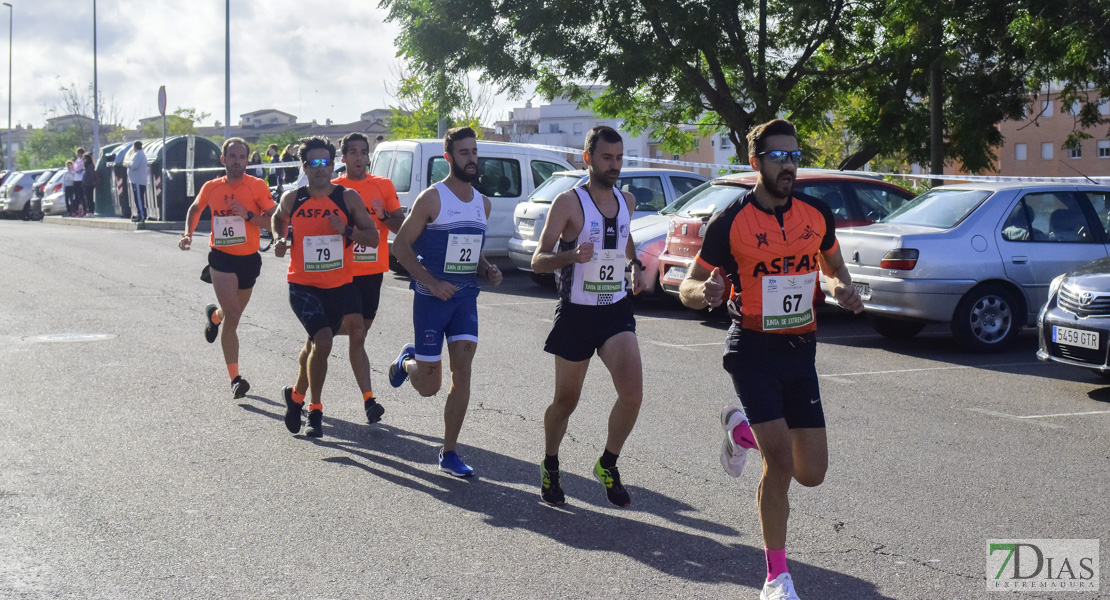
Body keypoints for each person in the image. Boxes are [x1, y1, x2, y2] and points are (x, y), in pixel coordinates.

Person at [678, 119, 864, 600]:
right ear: (755, 161)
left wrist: (841, 286)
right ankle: (776, 577)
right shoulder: (731, 222)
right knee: (778, 461)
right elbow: (687, 287)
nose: (789, 165)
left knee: (811, 473)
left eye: (795, 156)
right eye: (779, 156)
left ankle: (741, 430)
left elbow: (834, 266)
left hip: (801, 350)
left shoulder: (817, 214)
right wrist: (707, 291)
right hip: (753, 349)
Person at [530, 125, 646, 508]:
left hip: (615, 312)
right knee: (566, 401)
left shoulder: (626, 201)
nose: (614, 165)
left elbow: (625, 238)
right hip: (577, 313)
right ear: (588, 159)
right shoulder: (568, 203)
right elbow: (538, 261)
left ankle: (607, 463)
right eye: (606, 158)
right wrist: (570, 256)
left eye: (618, 158)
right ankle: (550, 464)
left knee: (632, 394)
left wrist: (635, 265)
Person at [388, 126, 503, 477]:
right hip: (431, 299)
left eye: (475, 152)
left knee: (463, 371)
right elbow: (400, 247)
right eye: (464, 153)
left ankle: (449, 452)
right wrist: (432, 283)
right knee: (429, 386)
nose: (472, 159)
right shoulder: (432, 199)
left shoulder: (483, 202)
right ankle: (407, 361)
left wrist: (487, 269)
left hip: (465, 299)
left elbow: (473, 252)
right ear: (449, 158)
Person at [271, 136, 381, 438]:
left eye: (326, 162)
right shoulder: (293, 199)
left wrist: (344, 229)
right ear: (305, 167)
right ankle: (315, 411)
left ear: (334, 164)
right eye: (314, 163)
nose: (321, 168)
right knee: (323, 341)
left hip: (338, 286)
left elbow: (373, 238)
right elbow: (277, 219)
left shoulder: (347, 198)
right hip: (302, 285)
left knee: (317, 346)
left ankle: (295, 397)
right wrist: (280, 239)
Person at [313, 132, 404, 422]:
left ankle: (309, 357)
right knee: (357, 331)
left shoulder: (383, 185)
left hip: (372, 274)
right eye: (352, 152)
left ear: (369, 156)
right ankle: (369, 400)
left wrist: (383, 214)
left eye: (363, 152)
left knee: (356, 335)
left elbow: (400, 227)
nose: (358, 157)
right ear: (343, 158)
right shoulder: (334, 188)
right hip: (342, 273)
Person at [178, 138, 277, 399]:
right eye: (231, 156)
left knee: (231, 315)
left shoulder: (256, 186)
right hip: (221, 258)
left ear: (247, 160)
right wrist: (188, 233)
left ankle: (214, 316)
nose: (236, 161)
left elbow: (275, 221)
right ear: (223, 160)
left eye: (241, 156)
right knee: (233, 316)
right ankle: (235, 378)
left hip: (249, 259)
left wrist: (247, 215)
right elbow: (196, 207)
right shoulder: (211, 187)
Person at [128, 141, 149, 222]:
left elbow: (134, 166)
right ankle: (139, 214)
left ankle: (142, 215)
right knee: (138, 199)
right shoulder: (141, 154)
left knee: (139, 199)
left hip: (138, 181)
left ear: (135, 146)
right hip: (138, 180)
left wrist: (128, 164)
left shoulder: (138, 155)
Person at [72, 148, 86, 217]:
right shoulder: (77, 161)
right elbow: (74, 168)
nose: (76, 154)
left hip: (81, 179)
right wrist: (75, 169)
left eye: (77, 153)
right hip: (76, 179)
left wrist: (75, 169)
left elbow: (78, 169)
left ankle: (84, 210)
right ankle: (77, 211)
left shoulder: (83, 160)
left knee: (82, 196)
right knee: (76, 196)